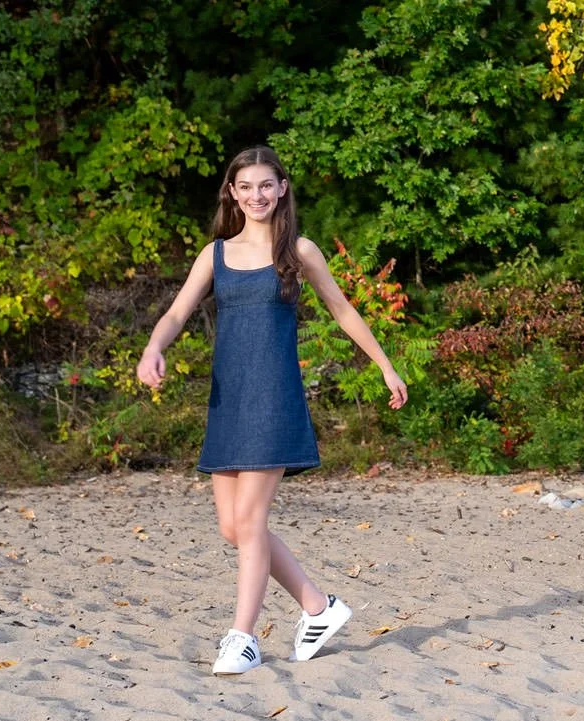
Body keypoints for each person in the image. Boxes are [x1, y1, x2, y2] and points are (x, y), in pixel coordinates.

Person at [136, 145, 408, 675]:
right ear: (232, 194)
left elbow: (342, 308)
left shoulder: (299, 249)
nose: (256, 195)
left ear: (281, 188)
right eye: (245, 187)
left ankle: (242, 637)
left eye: (266, 185)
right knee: (233, 528)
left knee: (253, 520)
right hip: (228, 399)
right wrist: (154, 346)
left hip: (274, 395)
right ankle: (318, 606)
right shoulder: (214, 253)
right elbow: (174, 313)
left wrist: (384, 364)